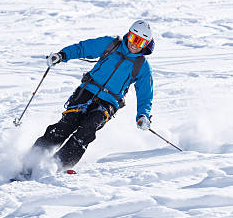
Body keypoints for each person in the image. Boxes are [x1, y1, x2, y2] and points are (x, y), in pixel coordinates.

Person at [28, 20, 154, 172]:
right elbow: (83, 48)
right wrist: (62, 55)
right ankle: (31, 161)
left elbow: (145, 94)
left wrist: (143, 115)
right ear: (129, 34)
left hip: (109, 102)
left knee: (87, 130)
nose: (135, 45)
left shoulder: (142, 67)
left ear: (146, 44)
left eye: (141, 42)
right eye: (134, 38)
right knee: (66, 124)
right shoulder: (111, 44)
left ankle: (58, 165)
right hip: (87, 90)